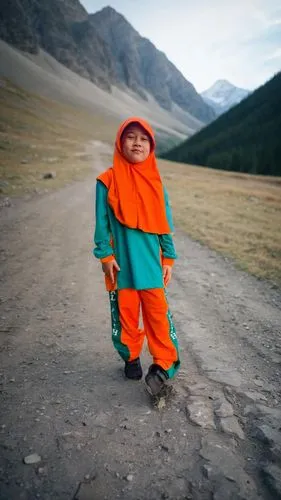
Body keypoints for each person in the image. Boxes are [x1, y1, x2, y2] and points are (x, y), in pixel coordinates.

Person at [93, 117, 180, 396]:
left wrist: (168, 257)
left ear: (151, 146)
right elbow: (101, 222)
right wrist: (105, 254)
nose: (137, 143)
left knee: (157, 314)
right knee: (126, 312)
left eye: (144, 139)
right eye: (130, 137)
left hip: (151, 265)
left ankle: (162, 366)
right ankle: (130, 356)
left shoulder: (156, 183)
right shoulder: (106, 180)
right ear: (120, 142)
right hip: (121, 265)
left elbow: (164, 223)